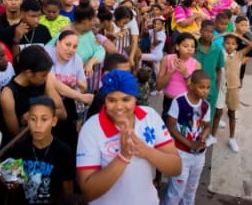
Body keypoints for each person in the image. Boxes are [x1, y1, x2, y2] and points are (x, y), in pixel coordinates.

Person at [75, 72, 180, 204]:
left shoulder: (150, 116)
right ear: (104, 100)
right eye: (112, 100)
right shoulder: (91, 129)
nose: (119, 107)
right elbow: (88, 191)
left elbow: (176, 167)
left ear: (135, 98)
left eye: (126, 99)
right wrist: (123, 157)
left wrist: (147, 151)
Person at [9, 97, 75, 205]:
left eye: (44, 119)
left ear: (54, 121)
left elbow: (67, 192)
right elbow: (13, 188)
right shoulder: (19, 148)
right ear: (28, 120)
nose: (38, 126)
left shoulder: (63, 152)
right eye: (33, 119)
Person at [161, 68, 209, 205]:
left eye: (207, 87)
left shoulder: (205, 105)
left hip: (199, 155)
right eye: (201, 87)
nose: (205, 91)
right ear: (191, 85)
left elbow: (206, 126)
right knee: (177, 190)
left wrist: (203, 138)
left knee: (191, 189)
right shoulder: (179, 101)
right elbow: (171, 127)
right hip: (182, 153)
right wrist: (189, 144)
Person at [189, 24, 223, 147]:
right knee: (192, 113)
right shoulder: (193, 47)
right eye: (206, 31)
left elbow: (219, 69)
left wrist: (218, 87)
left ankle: (204, 137)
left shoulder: (217, 49)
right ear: (200, 31)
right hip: (193, 88)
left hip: (211, 89)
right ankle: (191, 136)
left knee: (208, 114)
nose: (208, 34)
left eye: (211, 31)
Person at [219, 29, 251, 153]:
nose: (230, 45)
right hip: (221, 87)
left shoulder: (238, 54)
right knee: (217, 112)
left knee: (232, 113)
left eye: (233, 43)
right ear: (223, 44)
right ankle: (210, 134)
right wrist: (222, 34)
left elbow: (250, 45)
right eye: (227, 43)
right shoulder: (220, 53)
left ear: (237, 46)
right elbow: (210, 42)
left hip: (233, 88)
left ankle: (232, 138)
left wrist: (238, 36)